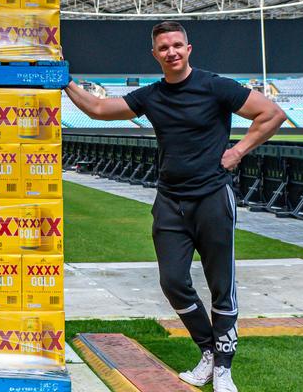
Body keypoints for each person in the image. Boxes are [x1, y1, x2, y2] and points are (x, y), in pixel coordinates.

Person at [63, 20, 286, 392]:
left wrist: (237, 152)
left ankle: (224, 369)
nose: (172, 52)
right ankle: (208, 352)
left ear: (188, 48)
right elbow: (99, 109)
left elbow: (271, 114)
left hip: (213, 197)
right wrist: (65, 80)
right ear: (155, 54)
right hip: (169, 200)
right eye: (164, 47)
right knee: (173, 282)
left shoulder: (215, 86)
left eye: (177, 45)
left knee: (221, 285)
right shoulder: (151, 96)